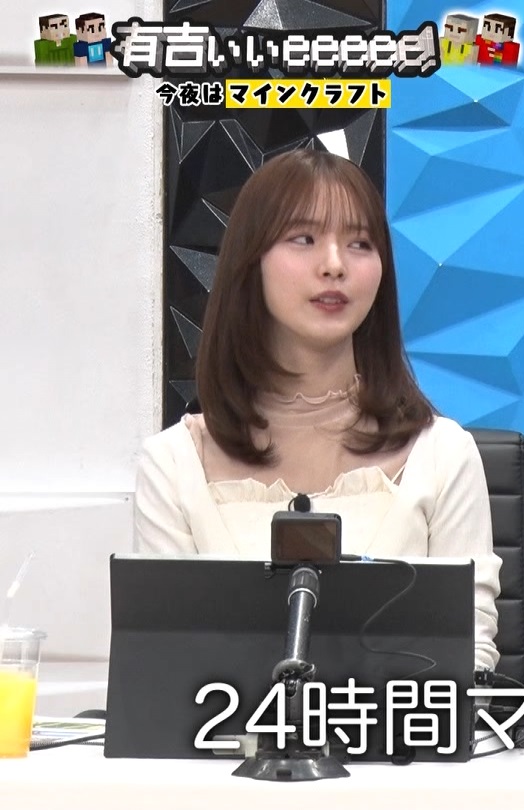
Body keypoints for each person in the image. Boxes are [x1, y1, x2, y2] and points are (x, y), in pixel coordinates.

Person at [133, 148, 502, 672]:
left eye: (360, 243)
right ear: (250, 262)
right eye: (303, 239)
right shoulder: (173, 465)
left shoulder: (443, 454)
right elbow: (161, 671)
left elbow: (470, 658)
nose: (334, 265)